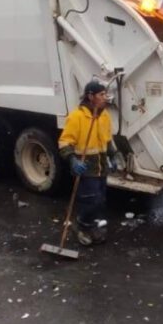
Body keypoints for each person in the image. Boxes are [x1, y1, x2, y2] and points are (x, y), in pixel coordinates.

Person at [58, 81, 119, 246]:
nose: (105, 97)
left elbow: (107, 139)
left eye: (105, 94)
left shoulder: (104, 116)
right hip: (85, 166)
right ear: (90, 96)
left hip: (101, 166)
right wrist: (72, 160)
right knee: (89, 200)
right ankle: (82, 227)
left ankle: (92, 226)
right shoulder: (76, 117)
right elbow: (64, 142)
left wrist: (113, 156)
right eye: (101, 94)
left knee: (100, 200)